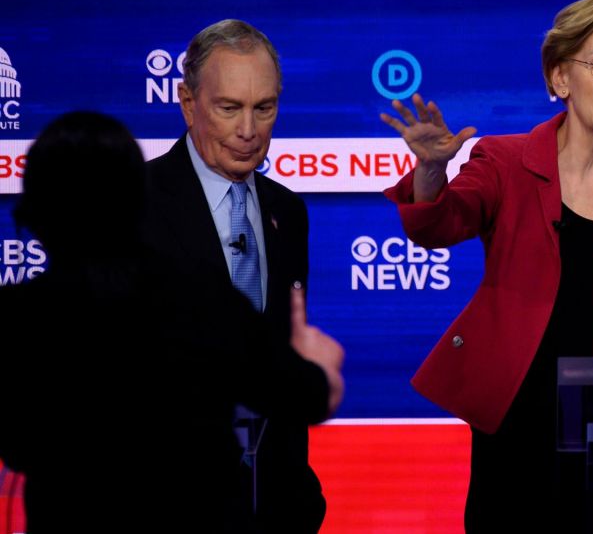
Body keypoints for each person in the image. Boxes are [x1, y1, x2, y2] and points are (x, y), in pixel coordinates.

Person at [380, 0, 593, 533]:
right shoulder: (504, 162)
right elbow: (439, 226)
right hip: (516, 419)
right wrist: (433, 170)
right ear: (559, 78)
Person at [0, 111, 343, 533]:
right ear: (139, 201)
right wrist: (318, 366)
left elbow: (18, 446)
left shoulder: (16, 318)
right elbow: (303, 396)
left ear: (33, 216)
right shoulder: (203, 298)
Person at [141, 19, 325, 533]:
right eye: (229, 108)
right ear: (187, 103)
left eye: (263, 108)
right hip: (165, 505)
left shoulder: (287, 212)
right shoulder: (131, 204)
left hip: (276, 506)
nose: (249, 130)